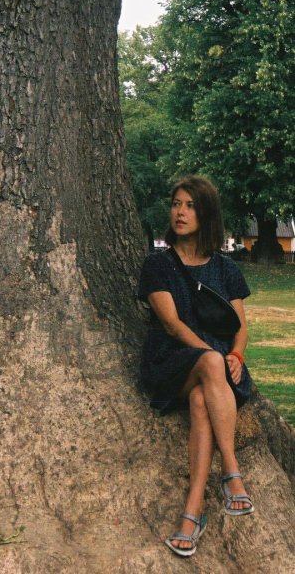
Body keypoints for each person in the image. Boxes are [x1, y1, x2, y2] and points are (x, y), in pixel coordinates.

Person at [138, 176, 254, 558]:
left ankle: (193, 510)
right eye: (175, 204)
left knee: (204, 400)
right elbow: (172, 324)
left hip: (217, 368)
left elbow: (241, 326)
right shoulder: (158, 264)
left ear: (206, 215)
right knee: (207, 365)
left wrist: (234, 357)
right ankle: (232, 471)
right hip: (172, 361)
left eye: (189, 205)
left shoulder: (225, 268)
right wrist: (216, 359)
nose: (180, 212)